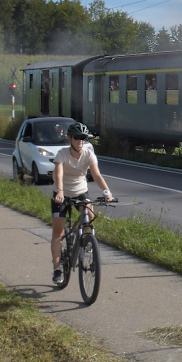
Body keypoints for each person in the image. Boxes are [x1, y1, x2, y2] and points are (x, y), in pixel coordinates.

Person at [52, 122, 113, 285]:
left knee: (89, 217)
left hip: (80, 192)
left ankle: (87, 244)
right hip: (62, 193)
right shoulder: (62, 154)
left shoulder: (88, 154)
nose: (81, 141)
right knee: (58, 233)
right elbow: (58, 174)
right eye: (78, 138)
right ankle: (57, 269)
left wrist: (106, 192)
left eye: (84, 138)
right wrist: (59, 191)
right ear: (70, 138)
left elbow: (97, 175)